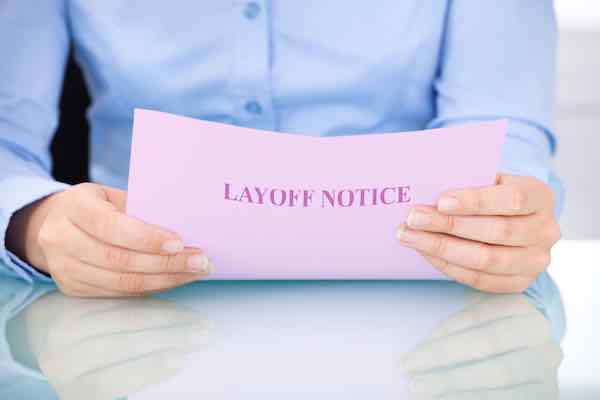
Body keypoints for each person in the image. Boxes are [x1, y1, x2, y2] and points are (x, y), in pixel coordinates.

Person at [0, 1, 562, 297]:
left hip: (422, 289)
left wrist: (503, 214)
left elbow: (501, 128)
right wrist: (34, 221)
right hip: (131, 288)